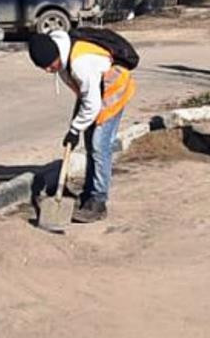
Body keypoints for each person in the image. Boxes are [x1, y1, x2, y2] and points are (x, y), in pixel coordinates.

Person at [27, 29, 136, 223]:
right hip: (97, 91)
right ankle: (88, 193)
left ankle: (98, 201)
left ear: (56, 55)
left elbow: (92, 103)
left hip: (114, 89)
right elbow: (84, 96)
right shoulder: (61, 62)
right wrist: (74, 128)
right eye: (43, 67)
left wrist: (76, 128)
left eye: (48, 65)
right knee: (90, 143)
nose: (47, 70)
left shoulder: (80, 64)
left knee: (99, 146)